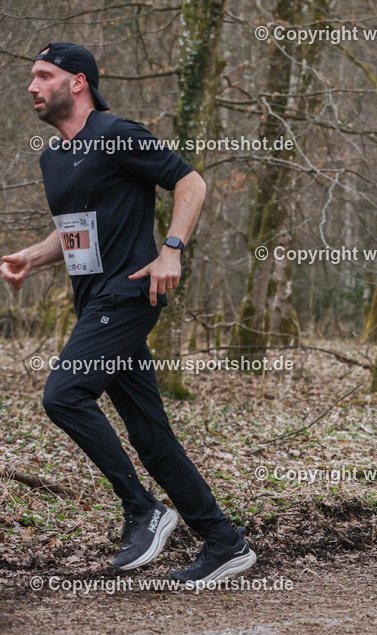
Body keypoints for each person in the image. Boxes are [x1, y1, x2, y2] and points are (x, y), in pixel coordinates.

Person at [2, 42, 255, 583]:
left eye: (43, 75)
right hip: (94, 301)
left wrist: (172, 249)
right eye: (30, 77)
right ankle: (223, 540)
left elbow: (191, 182)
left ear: (78, 82)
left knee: (64, 394)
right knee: (148, 431)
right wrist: (33, 256)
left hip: (131, 293)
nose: (31, 86)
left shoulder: (118, 132)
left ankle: (143, 509)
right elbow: (77, 227)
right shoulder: (54, 157)